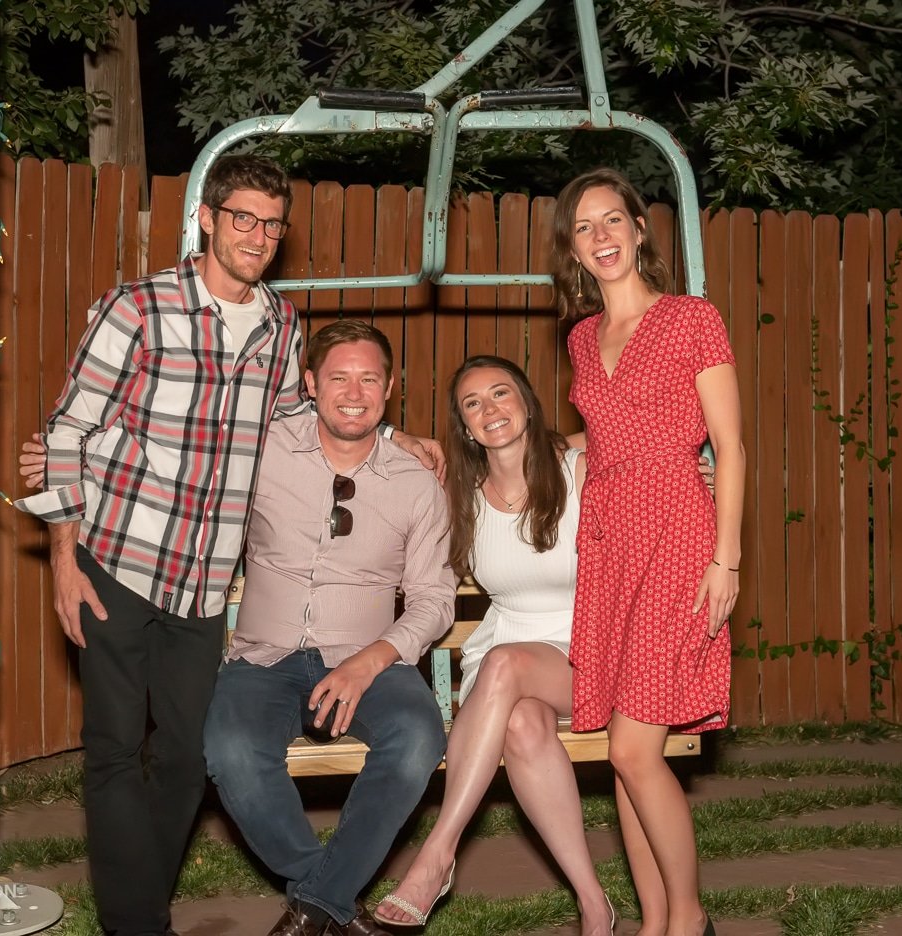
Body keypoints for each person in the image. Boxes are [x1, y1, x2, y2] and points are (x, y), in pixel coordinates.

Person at [14, 155, 439, 936]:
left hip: (204, 584)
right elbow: (70, 428)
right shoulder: (139, 308)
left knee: (181, 757)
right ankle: (137, 922)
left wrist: (387, 430)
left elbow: (294, 419)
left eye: (273, 224)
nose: (259, 235)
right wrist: (63, 560)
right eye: (243, 217)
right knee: (113, 749)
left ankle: (310, 899)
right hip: (118, 557)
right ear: (207, 218)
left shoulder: (281, 327)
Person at [201, 320, 454, 936]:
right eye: (338, 376)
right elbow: (184, 437)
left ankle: (313, 908)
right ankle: (330, 897)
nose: (354, 392)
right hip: (264, 655)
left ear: (390, 387)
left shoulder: (416, 483)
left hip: (369, 657)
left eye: (369, 378)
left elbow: (434, 598)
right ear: (309, 383)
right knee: (231, 750)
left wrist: (369, 661)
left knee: (419, 738)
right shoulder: (261, 449)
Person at [556, 168, 745, 936]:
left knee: (636, 749)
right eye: (583, 227)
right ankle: (655, 922)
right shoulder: (579, 336)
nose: (601, 237)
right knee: (623, 751)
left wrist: (726, 557)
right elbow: (599, 441)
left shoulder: (693, 317)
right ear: (572, 250)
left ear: (639, 229)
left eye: (613, 220)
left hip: (677, 527)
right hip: (609, 542)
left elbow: (729, 446)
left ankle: (690, 918)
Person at [373, 355, 615, 936]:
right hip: (506, 654)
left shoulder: (579, 469)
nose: (490, 410)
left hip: (583, 653)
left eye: (501, 394)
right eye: (473, 404)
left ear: (527, 401)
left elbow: (644, 435)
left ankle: (437, 854)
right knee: (524, 727)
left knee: (505, 668)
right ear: (464, 424)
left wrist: (696, 475)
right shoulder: (459, 490)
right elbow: (350, 427)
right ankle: (594, 904)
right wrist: (394, 431)